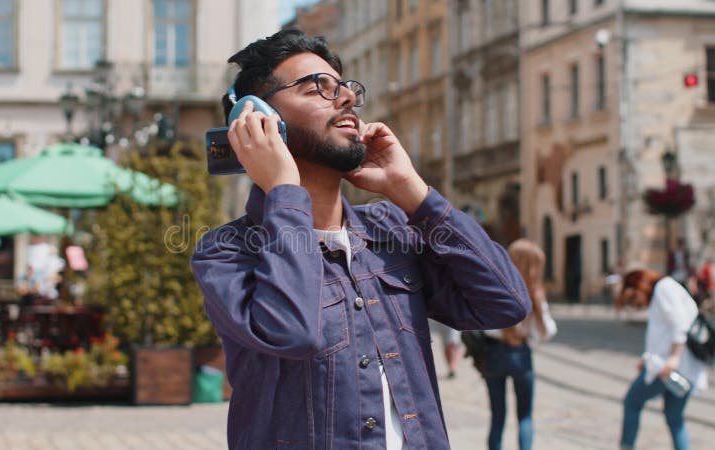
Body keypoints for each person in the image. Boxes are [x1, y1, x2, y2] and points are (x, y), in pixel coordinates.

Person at [191, 29, 531, 449]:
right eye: (319, 87)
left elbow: (505, 302)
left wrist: (413, 192)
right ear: (259, 118)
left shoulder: (389, 228)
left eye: (347, 88)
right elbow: (293, 332)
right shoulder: (226, 252)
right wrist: (283, 190)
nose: (348, 98)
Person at [616, 269, 708, 450]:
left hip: (668, 367)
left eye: (633, 297)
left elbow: (679, 324)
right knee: (674, 417)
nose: (637, 303)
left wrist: (674, 358)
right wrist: (648, 358)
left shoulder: (664, 288)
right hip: (677, 365)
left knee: (632, 402)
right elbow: (663, 334)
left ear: (640, 284)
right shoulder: (665, 289)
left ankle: (627, 446)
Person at [482, 239, 557, 450]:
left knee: (497, 416)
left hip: (494, 352)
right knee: (525, 416)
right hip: (521, 354)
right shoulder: (535, 294)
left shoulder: (494, 287)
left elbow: (482, 325)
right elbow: (548, 332)